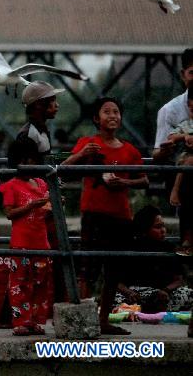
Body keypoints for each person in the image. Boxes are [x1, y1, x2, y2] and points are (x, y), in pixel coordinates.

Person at [61, 96, 148, 335]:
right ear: (96, 118)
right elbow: (64, 170)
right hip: (93, 215)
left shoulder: (130, 150)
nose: (112, 116)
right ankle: (81, 319)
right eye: (107, 112)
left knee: (113, 272)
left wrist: (125, 182)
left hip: (120, 216)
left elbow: (145, 179)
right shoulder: (88, 143)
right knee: (87, 269)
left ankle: (102, 321)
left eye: (116, 112)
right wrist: (81, 154)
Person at [1, 138, 53, 336]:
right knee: (19, 284)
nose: (30, 164)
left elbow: (47, 212)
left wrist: (53, 204)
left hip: (42, 242)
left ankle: (35, 321)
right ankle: (20, 322)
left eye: (32, 159)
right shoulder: (11, 186)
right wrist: (31, 206)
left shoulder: (41, 184)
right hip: (21, 243)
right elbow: (9, 213)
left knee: (40, 285)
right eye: (25, 160)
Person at [114, 205, 192, 313]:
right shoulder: (130, 248)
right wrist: (129, 292)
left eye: (163, 226)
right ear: (144, 229)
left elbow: (179, 279)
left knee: (188, 293)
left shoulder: (169, 248)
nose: (163, 231)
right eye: (157, 227)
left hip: (163, 294)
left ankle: (150, 309)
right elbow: (116, 282)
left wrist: (165, 290)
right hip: (136, 294)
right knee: (115, 297)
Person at [152, 48, 193, 164]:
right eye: (192, 73)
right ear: (183, 75)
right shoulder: (169, 110)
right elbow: (156, 154)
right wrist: (164, 151)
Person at [166, 84, 193, 256]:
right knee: (188, 160)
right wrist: (185, 136)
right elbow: (171, 136)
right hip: (188, 167)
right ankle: (187, 242)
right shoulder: (187, 124)